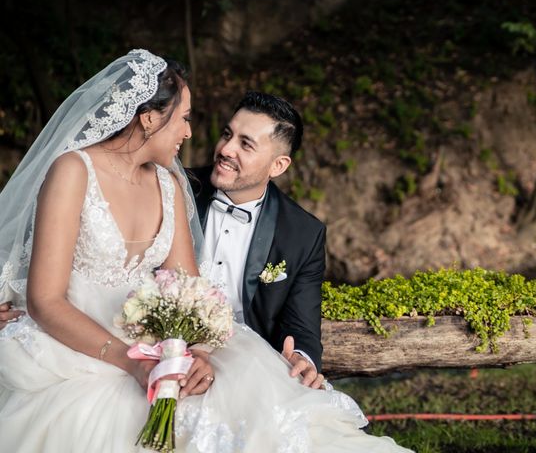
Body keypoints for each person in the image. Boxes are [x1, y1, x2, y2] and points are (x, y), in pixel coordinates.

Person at [0, 49, 412, 452]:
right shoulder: (76, 171)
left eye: (245, 143)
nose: (194, 135)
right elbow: (43, 291)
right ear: (149, 118)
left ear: (278, 164)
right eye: (186, 119)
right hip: (87, 340)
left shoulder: (171, 185)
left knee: (262, 420)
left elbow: (193, 291)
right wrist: (136, 362)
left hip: (164, 339)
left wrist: (195, 352)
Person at [190, 91, 325, 388]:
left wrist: (301, 357)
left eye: (245, 144)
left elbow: (301, 326)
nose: (225, 149)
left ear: (277, 166)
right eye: (227, 134)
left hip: (247, 367)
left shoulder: (303, 234)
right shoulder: (179, 189)